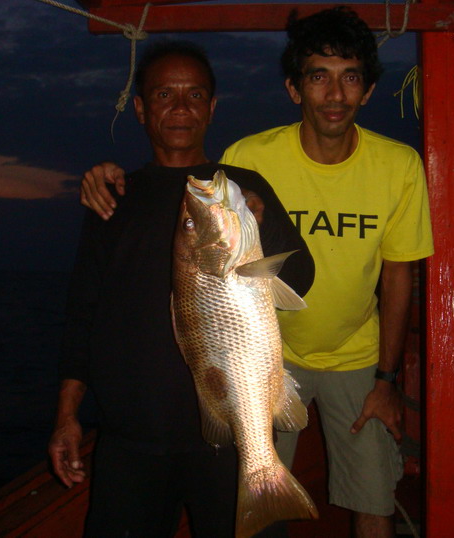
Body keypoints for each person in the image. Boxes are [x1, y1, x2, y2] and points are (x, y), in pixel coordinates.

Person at [80, 7, 434, 538]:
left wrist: (387, 379)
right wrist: (107, 176)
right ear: (295, 90)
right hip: (268, 352)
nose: (335, 94)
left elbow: (396, 275)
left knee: (373, 497)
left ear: (367, 90)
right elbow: (186, 194)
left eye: (350, 78)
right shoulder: (249, 157)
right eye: (319, 77)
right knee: (246, 475)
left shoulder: (400, 165)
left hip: (356, 354)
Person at [48, 40, 314, 538]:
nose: (180, 108)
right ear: (143, 109)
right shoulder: (113, 197)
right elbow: (82, 312)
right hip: (132, 438)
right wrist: (67, 415)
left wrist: (258, 224)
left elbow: (301, 279)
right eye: (165, 95)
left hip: (232, 436)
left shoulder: (240, 187)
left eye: (194, 95)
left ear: (212, 108)